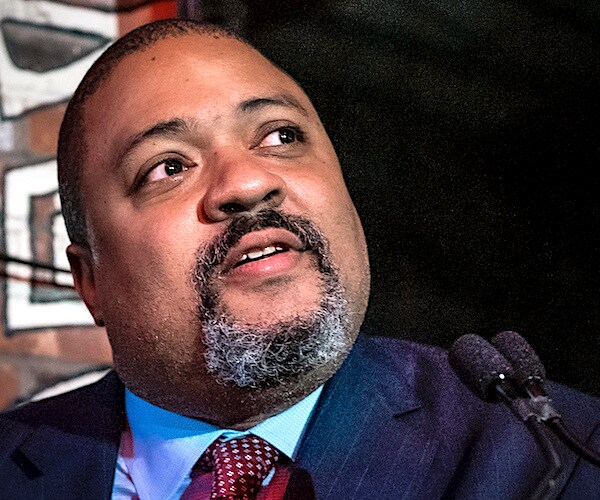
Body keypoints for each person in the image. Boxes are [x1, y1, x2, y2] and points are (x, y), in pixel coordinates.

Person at [0, 18, 599, 500]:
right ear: (91, 280)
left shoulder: (551, 456)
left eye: (280, 136)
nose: (247, 182)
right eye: (169, 167)